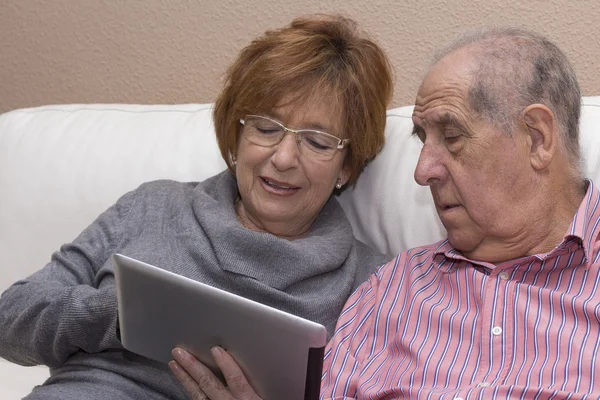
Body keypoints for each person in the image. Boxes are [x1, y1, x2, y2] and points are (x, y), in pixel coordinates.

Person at [171, 27, 600, 400]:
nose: (421, 171)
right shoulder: (392, 288)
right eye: (421, 141)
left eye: (451, 137)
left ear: (537, 138)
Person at [0, 14, 393, 400]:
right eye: (266, 127)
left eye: (318, 142)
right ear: (235, 136)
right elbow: (9, 320)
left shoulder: (370, 281)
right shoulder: (154, 206)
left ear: (347, 165)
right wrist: (120, 314)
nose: (285, 157)